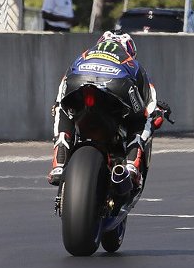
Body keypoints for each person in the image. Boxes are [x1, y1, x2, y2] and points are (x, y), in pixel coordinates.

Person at [48, 31, 171, 186]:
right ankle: (132, 165)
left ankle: (59, 163)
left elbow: (62, 89)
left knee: (62, 108)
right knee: (144, 117)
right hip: (117, 85)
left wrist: (59, 105)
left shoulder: (84, 55)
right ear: (130, 49)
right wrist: (157, 113)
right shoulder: (132, 63)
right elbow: (150, 99)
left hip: (79, 81)